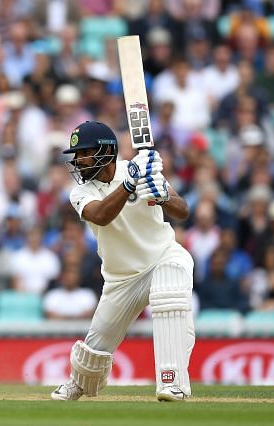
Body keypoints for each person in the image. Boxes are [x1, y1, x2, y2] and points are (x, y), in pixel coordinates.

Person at [52, 121, 193, 402]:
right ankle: (78, 383)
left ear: (106, 151)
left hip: (163, 255)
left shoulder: (142, 170)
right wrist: (130, 184)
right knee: (96, 346)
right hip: (121, 277)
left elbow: (183, 211)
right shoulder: (81, 192)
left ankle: (172, 382)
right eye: (76, 155)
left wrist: (161, 195)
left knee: (170, 289)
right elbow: (102, 215)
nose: (78, 161)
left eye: (84, 153)